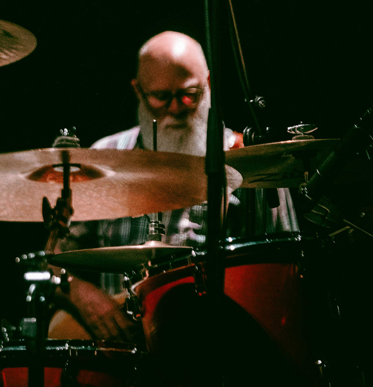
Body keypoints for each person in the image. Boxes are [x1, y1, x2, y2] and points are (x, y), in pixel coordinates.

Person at [53, 31, 298, 344]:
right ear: (137, 91)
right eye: (160, 97)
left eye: (189, 94)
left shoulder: (250, 162)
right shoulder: (105, 158)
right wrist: (81, 294)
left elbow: (287, 270)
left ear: (208, 83)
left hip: (220, 343)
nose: (176, 109)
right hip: (126, 350)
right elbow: (56, 260)